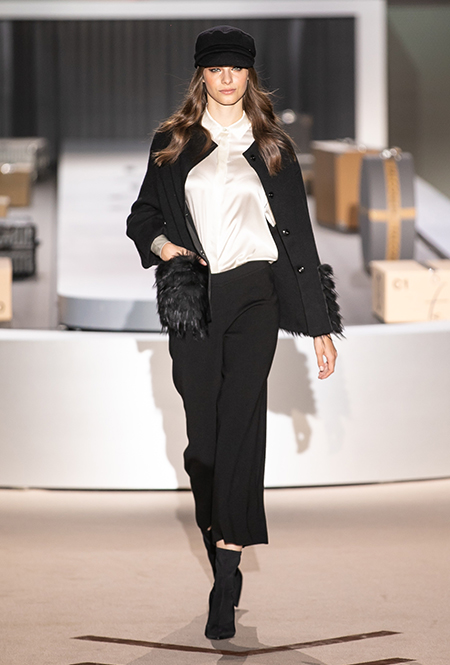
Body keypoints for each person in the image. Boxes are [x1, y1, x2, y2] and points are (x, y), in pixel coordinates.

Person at [127, 25, 342, 641]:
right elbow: (142, 215)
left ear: (250, 74)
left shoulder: (271, 145)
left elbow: (298, 238)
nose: (227, 78)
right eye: (216, 68)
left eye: (237, 68)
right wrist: (164, 246)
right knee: (203, 444)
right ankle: (219, 533)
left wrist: (320, 326)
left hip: (255, 297)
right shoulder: (173, 141)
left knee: (242, 426)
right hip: (194, 296)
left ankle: (226, 571)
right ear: (202, 74)